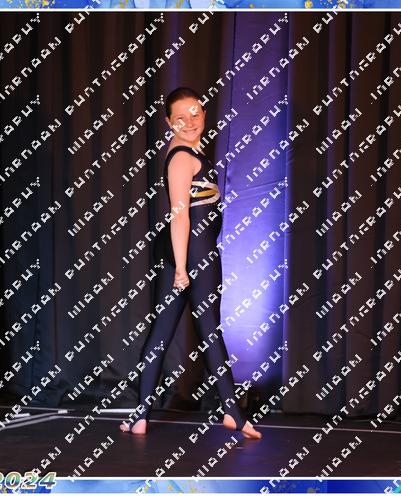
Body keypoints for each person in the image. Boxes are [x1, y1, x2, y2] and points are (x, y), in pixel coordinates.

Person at [119, 87, 262, 440]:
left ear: (204, 111)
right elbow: (179, 215)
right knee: (207, 332)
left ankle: (140, 417)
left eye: (194, 112)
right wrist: (182, 268)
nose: (190, 121)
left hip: (187, 254)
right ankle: (234, 414)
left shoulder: (191, 151)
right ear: (169, 123)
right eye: (180, 118)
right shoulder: (182, 157)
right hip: (192, 255)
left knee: (162, 333)